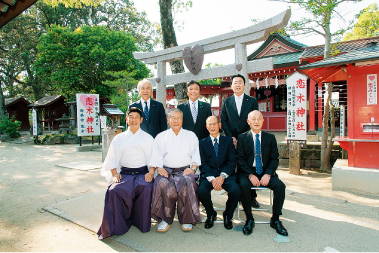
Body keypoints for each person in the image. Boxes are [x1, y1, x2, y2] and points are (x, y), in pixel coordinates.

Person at [97, 107, 155, 240]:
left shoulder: (148, 138)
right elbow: (111, 157)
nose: (134, 120)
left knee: (147, 187)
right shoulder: (119, 138)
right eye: (131, 117)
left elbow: (154, 158)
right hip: (125, 173)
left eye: (136, 117)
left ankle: (141, 223)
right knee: (114, 190)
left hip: (142, 173)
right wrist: (115, 174)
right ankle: (116, 225)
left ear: (141, 120)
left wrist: (151, 172)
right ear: (127, 119)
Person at [236, 110, 288, 236]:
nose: (256, 121)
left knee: (280, 186)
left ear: (263, 121)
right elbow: (240, 159)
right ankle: (249, 218)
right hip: (247, 172)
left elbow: (275, 158)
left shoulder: (270, 137)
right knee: (243, 185)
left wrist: (268, 174)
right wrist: (250, 174)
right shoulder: (242, 138)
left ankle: (275, 219)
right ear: (248, 122)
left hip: (265, 172)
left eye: (259, 118)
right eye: (253, 119)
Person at [149, 108, 202, 232]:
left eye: (178, 118)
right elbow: (156, 155)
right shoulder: (161, 136)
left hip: (185, 170)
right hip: (166, 170)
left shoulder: (190, 135)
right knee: (161, 182)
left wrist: (193, 169)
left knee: (189, 182)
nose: (176, 120)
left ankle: (187, 219)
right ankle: (165, 219)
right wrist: (159, 168)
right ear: (168, 119)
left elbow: (195, 154)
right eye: (173, 117)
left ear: (182, 120)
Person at [220, 74, 260, 208]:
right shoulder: (226, 101)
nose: (237, 85)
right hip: (230, 140)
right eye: (235, 82)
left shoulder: (252, 100)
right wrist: (231, 137)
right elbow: (224, 121)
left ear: (244, 85)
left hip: (248, 139)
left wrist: (244, 137)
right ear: (231, 85)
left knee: (249, 166)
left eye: (240, 82)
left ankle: (251, 196)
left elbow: (255, 119)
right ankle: (234, 194)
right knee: (232, 166)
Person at [198, 116, 241, 229]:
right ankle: (211, 214)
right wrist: (213, 179)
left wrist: (222, 177)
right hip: (209, 176)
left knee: (236, 190)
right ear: (207, 127)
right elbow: (203, 164)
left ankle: (228, 215)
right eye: (209, 125)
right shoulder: (202, 143)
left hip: (226, 175)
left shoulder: (228, 141)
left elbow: (232, 162)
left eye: (214, 124)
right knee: (201, 190)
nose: (212, 127)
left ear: (219, 125)